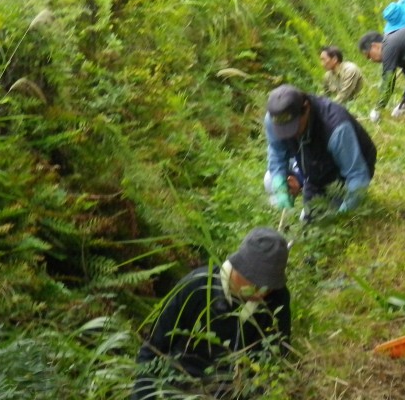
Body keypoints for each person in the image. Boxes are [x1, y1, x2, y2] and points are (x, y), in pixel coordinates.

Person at [133, 227, 291, 399]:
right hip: (180, 384)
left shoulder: (277, 298)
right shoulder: (196, 286)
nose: (260, 292)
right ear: (238, 267)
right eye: (255, 282)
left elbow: (276, 358)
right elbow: (154, 348)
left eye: (268, 285)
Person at [264, 84, 376, 214]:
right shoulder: (274, 119)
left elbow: (357, 175)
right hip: (313, 165)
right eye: (283, 130)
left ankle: (335, 199)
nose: (290, 135)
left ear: (306, 108)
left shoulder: (336, 128)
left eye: (293, 128)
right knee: (270, 180)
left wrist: (344, 214)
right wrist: (280, 182)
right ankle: (306, 184)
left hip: (346, 170)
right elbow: (277, 150)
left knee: (327, 219)